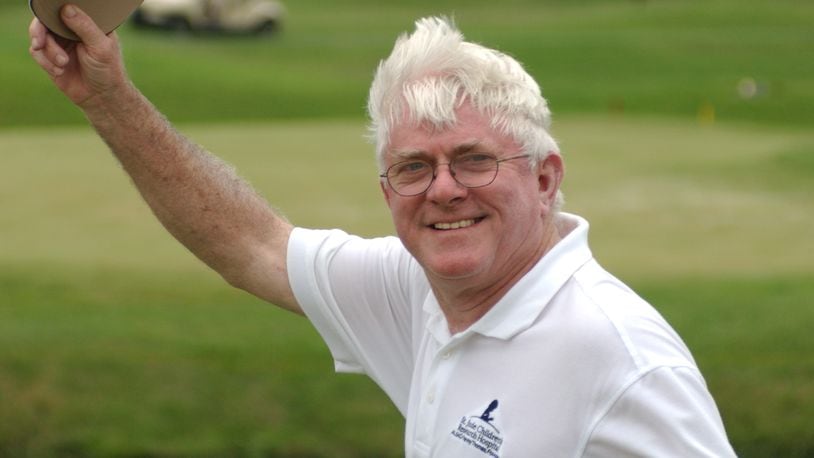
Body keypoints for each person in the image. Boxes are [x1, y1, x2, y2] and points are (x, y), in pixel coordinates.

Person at [30, 6, 736, 456]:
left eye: (473, 159)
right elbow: (251, 245)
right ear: (386, 190)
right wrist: (108, 98)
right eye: (412, 168)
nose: (443, 190)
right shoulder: (417, 291)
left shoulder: (621, 358)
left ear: (546, 177)